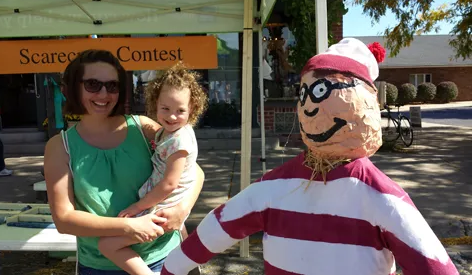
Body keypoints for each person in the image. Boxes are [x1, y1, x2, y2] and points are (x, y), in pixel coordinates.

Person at [161, 38, 459, 275]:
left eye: (322, 92)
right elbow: (222, 225)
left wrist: (171, 268)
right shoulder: (275, 187)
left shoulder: (381, 198)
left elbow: (432, 264)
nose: (310, 108)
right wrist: (173, 267)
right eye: (306, 94)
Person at [43, 49, 205, 275]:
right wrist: (129, 226)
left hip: (166, 257)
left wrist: (182, 209)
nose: (103, 94)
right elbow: (64, 219)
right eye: (92, 84)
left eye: (112, 86)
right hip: (102, 267)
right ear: (73, 88)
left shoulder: (143, 128)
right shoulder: (60, 147)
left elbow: (193, 170)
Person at [98, 63, 207, 275]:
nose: (172, 116)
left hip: (161, 209)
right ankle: (191, 265)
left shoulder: (179, 141)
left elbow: (169, 184)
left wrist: (138, 207)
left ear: (192, 109)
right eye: (165, 109)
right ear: (155, 104)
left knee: (106, 245)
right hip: (169, 205)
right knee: (182, 241)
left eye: (180, 111)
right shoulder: (169, 132)